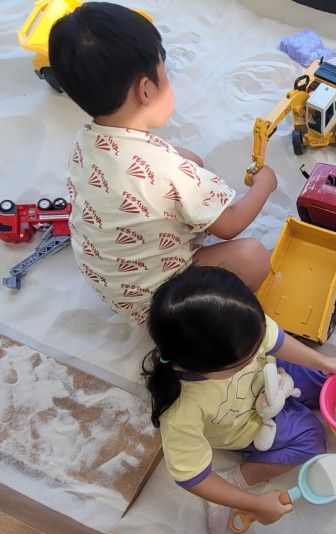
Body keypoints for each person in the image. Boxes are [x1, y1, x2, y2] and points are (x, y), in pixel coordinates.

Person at [49, 3, 274, 325]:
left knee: (188, 157)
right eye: (164, 75)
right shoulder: (167, 172)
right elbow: (230, 226)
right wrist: (267, 182)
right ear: (146, 90)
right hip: (161, 304)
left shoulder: (85, 140)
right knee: (252, 256)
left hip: (111, 281)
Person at [142, 266, 336, 534]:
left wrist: (322, 362)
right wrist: (254, 503)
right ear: (200, 366)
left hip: (271, 376)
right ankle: (235, 479)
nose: (257, 351)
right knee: (311, 438)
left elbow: (273, 342)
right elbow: (191, 476)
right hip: (246, 423)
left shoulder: (237, 322)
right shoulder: (182, 409)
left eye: (257, 344)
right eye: (243, 360)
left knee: (326, 379)